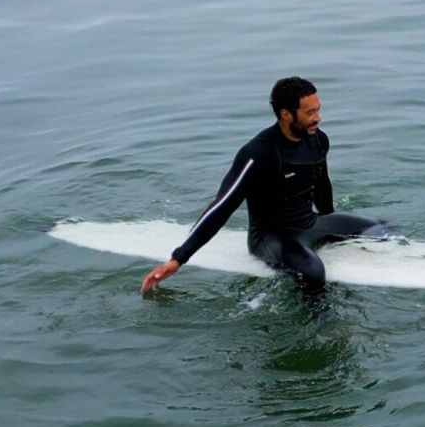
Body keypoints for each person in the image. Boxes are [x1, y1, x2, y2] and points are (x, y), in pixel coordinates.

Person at [141, 77, 386, 298]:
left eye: (318, 110)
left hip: (309, 223)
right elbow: (222, 206)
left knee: (380, 226)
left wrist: (330, 221)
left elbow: (322, 183)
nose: (317, 118)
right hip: (273, 237)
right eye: (309, 112)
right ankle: (321, 328)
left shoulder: (318, 139)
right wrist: (178, 258)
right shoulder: (258, 154)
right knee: (314, 274)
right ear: (286, 114)